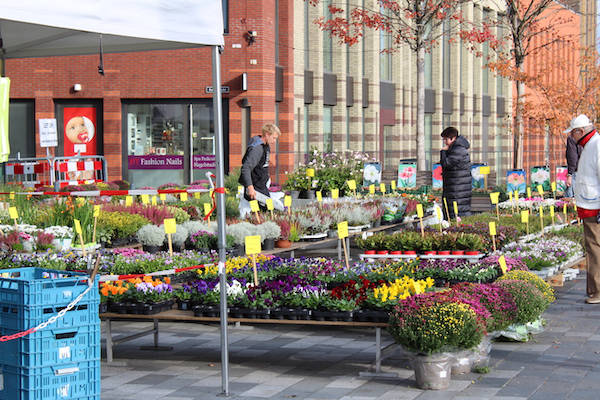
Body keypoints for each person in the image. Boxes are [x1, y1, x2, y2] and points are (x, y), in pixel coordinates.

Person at [567, 114, 600, 303]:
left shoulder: (595, 145)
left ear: (580, 131)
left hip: (593, 205)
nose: (572, 137)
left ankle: (597, 290)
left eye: (573, 132)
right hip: (590, 203)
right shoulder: (591, 144)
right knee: (593, 247)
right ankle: (594, 289)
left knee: (595, 248)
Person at [238, 123, 284, 215]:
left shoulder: (265, 145)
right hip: (255, 187)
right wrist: (250, 187)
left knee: (267, 211)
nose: (275, 141)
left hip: (262, 184)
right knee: (265, 212)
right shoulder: (257, 148)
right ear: (267, 134)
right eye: (274, 138)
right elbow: (246, 168)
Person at [440, 126, 471, 218]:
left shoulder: (458, 150)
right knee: (455, 213)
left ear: (453, 138)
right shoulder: (456, 149)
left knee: (457, 214)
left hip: (457, 189)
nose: (445, 142)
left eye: (446, 139)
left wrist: (443, 152)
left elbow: (446, 164)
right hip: (455, 187)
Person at [565, 132, 582, 197]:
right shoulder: (594, 138)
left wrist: (570, 175)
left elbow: (572, 157)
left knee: (573, 200)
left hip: (578, 172)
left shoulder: (572, 138)